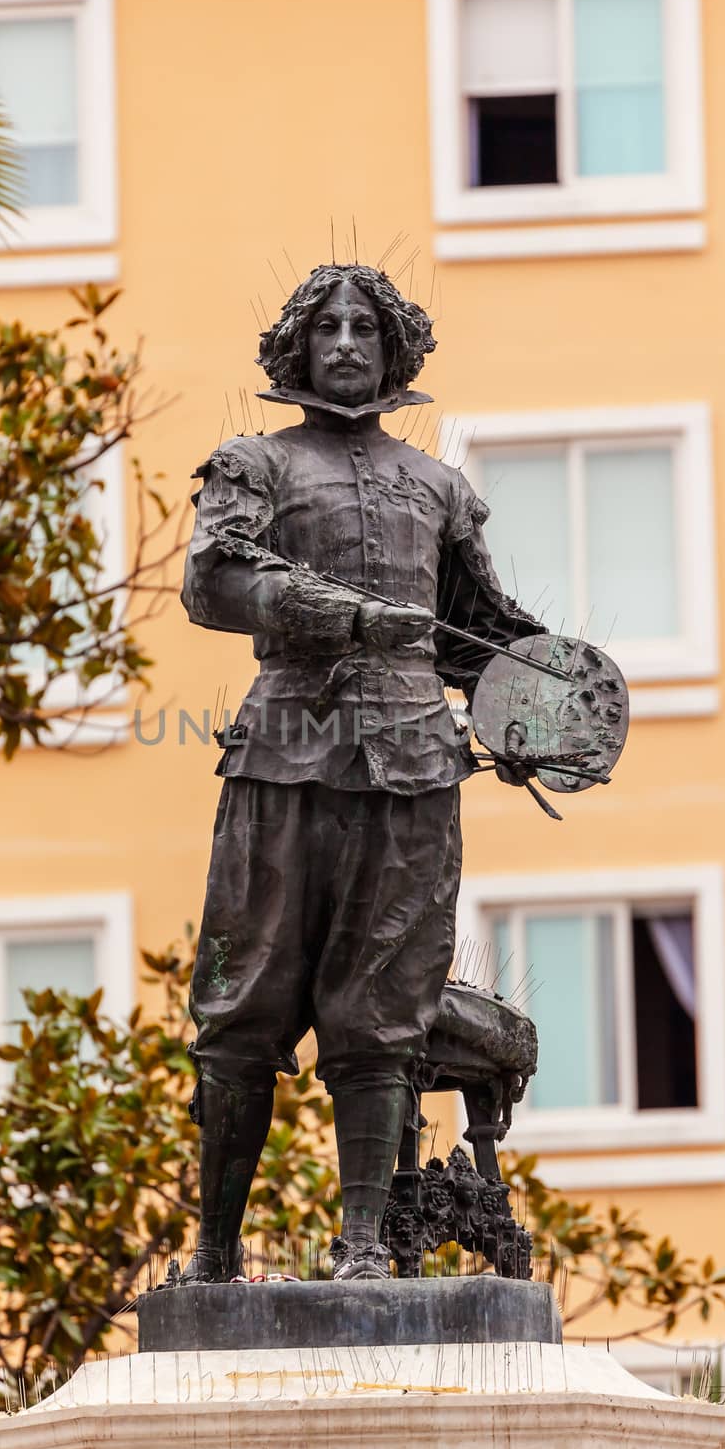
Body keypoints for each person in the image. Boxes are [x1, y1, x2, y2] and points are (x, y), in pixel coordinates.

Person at [180, 262, 545, 1281]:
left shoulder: (438, 490)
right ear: (298, 348)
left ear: (395, 350)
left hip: (415, 769)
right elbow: (212, 579)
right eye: (328, 326)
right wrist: (338, 613)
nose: (346, 341)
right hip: (283, 754)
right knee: (240, 1002)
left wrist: (547, 704)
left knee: (383, 1007)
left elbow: (477, 638)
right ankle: (212, 1254)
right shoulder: (252, 464)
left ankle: (362, 1249)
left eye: (366, 328)